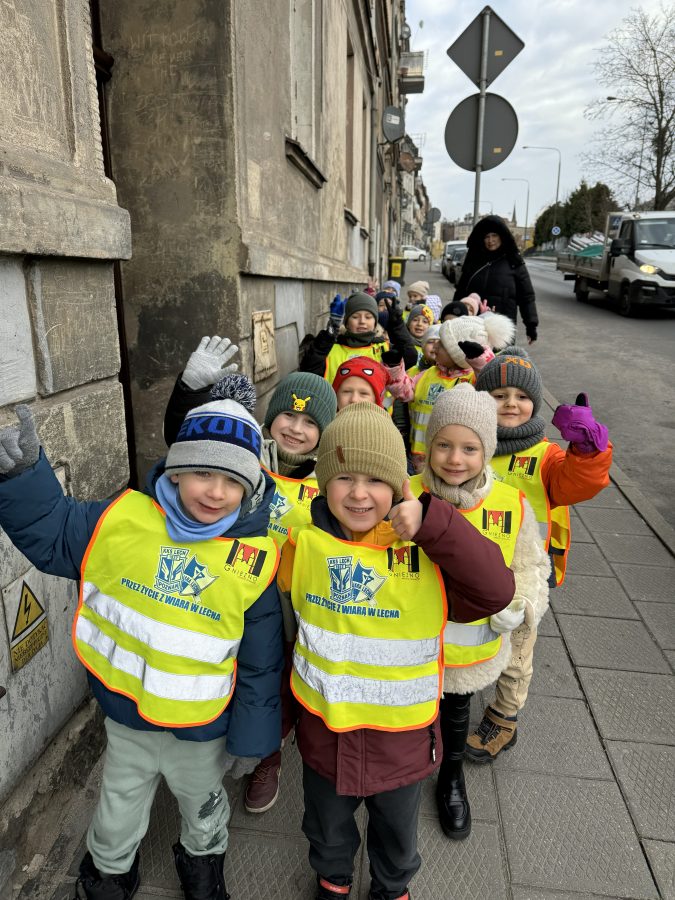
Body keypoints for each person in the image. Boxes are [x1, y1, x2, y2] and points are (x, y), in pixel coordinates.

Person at [0, 379, 283, 900]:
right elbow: (55, 531)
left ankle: (202, 863)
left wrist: (253, 741)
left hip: (202, 727)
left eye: (232, 480)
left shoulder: (254, 560)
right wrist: (23, 478)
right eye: (202, 472)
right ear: (175, 470)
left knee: (203, 806)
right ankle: (109, 871)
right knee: (117, 804)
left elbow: (261, 664)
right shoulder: (123, 519)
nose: (215, 491)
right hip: (127, 713)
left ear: (251, 488)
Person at [276, 403, 515, 900]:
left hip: (401, 742)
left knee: (397, 833)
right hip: (325, 733)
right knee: (326, 826)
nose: (359, 493)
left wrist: (433, 523)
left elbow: (494, 589)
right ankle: (333, 879)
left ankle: (391, 887)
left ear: (399, 486)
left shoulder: (425, 549)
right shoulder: (304, 541)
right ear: (323, 482)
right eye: (344, 478)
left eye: (375, 480)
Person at [408, 384, 549, 840]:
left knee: (455, 713)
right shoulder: (404, 495)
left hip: (468, 651)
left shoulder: (510, 504)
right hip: (408, 646)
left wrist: (522, 603)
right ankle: (406, 774)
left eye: (469, 448)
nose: (454, 459)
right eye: (443, 445)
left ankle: (451, 776)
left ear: (486, 450)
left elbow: (530, 565)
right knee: (409, 715)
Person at [467, 347, 612, 761]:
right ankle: (459, 687)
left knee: (517, 649)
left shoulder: (547, 456)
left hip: (523, 574)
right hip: (470, 565)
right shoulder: (471, 444)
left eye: (522, 396)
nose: (511, 403)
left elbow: (577, 484)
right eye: (499, 395)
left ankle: (504, 716)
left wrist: (588, 453)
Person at [385, 313, 515, 470]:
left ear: (458, 353)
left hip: (454, 458)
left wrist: (479, 358)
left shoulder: (473, 380)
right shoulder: (428, 374)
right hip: (420, 455)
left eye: (442, 344)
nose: (435, 347)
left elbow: (492, 381)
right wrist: (394, 368)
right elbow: (404, 393)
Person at [454, 215, 539, 343]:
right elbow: (460, 292)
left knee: (501, 357)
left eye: (494, 235)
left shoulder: (513, 262)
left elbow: (526, 297)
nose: (490, 240)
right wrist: (452, 315)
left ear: (502, 237)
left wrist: (531, 326)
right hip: (473, 327)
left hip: (502, 330)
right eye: (487, 237)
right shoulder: (473, 262)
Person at [299, 292, 416, 383]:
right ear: (346, 323)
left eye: (368, 317)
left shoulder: (384, 348)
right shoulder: (331, 349)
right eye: (355, 317)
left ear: (375, 322)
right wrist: (331, 330)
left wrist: (398, 326)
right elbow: (309, 368)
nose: (362, 321)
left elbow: (410, 357)